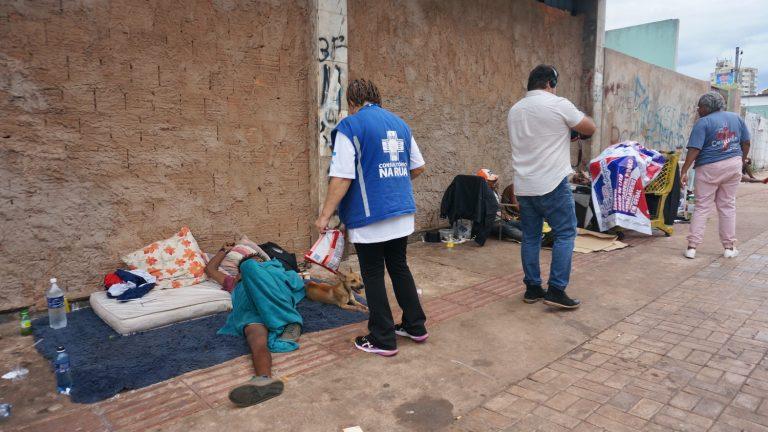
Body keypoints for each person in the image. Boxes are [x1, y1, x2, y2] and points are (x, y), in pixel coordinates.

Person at [314, 79, 428, 357]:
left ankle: (383, 338)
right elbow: (418, 167)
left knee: (373, 274)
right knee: (399, 267)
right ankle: (415, 326)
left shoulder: (351, 126)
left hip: (370, 216)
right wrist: (390, 180)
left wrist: (325, 215)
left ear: (352, 103)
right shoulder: (400, 124)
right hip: (400, 211)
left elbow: (341, 176)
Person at [507, 64, 596, 309]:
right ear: (550, 84)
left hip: (524, 185)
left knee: (531, 237)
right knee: (565, 234)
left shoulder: (515, 110)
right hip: (553, 184)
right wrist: (573, 119)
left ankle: (533, 288)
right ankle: (556, 290)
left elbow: (539, 136)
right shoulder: (558, 104)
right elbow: (589, 128)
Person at [204, 244, 304, 407]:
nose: (255, 264)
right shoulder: (234, 282)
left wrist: (254, 267)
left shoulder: (272, 272)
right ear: (238, 275)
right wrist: (223, 250)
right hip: (250, 312)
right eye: (253, 262)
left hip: (272, 304)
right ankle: (263, 380)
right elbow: (210, 270)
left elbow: (294, 282)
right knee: (257, 342)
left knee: (249, 266)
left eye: (259, 261)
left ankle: (289, 320)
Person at [681, 91, 751, 259]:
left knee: (702, 206)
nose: (698, 110)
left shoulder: (703, 122)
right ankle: (729, 247)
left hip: (709, 168)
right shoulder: (736, 118)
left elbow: (694, 149)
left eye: (700, 107)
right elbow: (746, 142)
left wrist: (684, 171)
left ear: (707, 107)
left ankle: (692, 248)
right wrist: (741, 161)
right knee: (727, 206)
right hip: (733, 164)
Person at [477, 168, 523, 241]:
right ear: (484, 182)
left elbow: (499, 207)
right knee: (507, 228)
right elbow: (486, 212)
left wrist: (504, 214)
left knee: (520, 224)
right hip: (491, 222)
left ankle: (541, 235)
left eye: (495, 180)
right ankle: (535, 240)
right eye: (492, 181)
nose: (495, 182)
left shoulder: (494, 191)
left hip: (501, 219)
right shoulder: (480, 194)